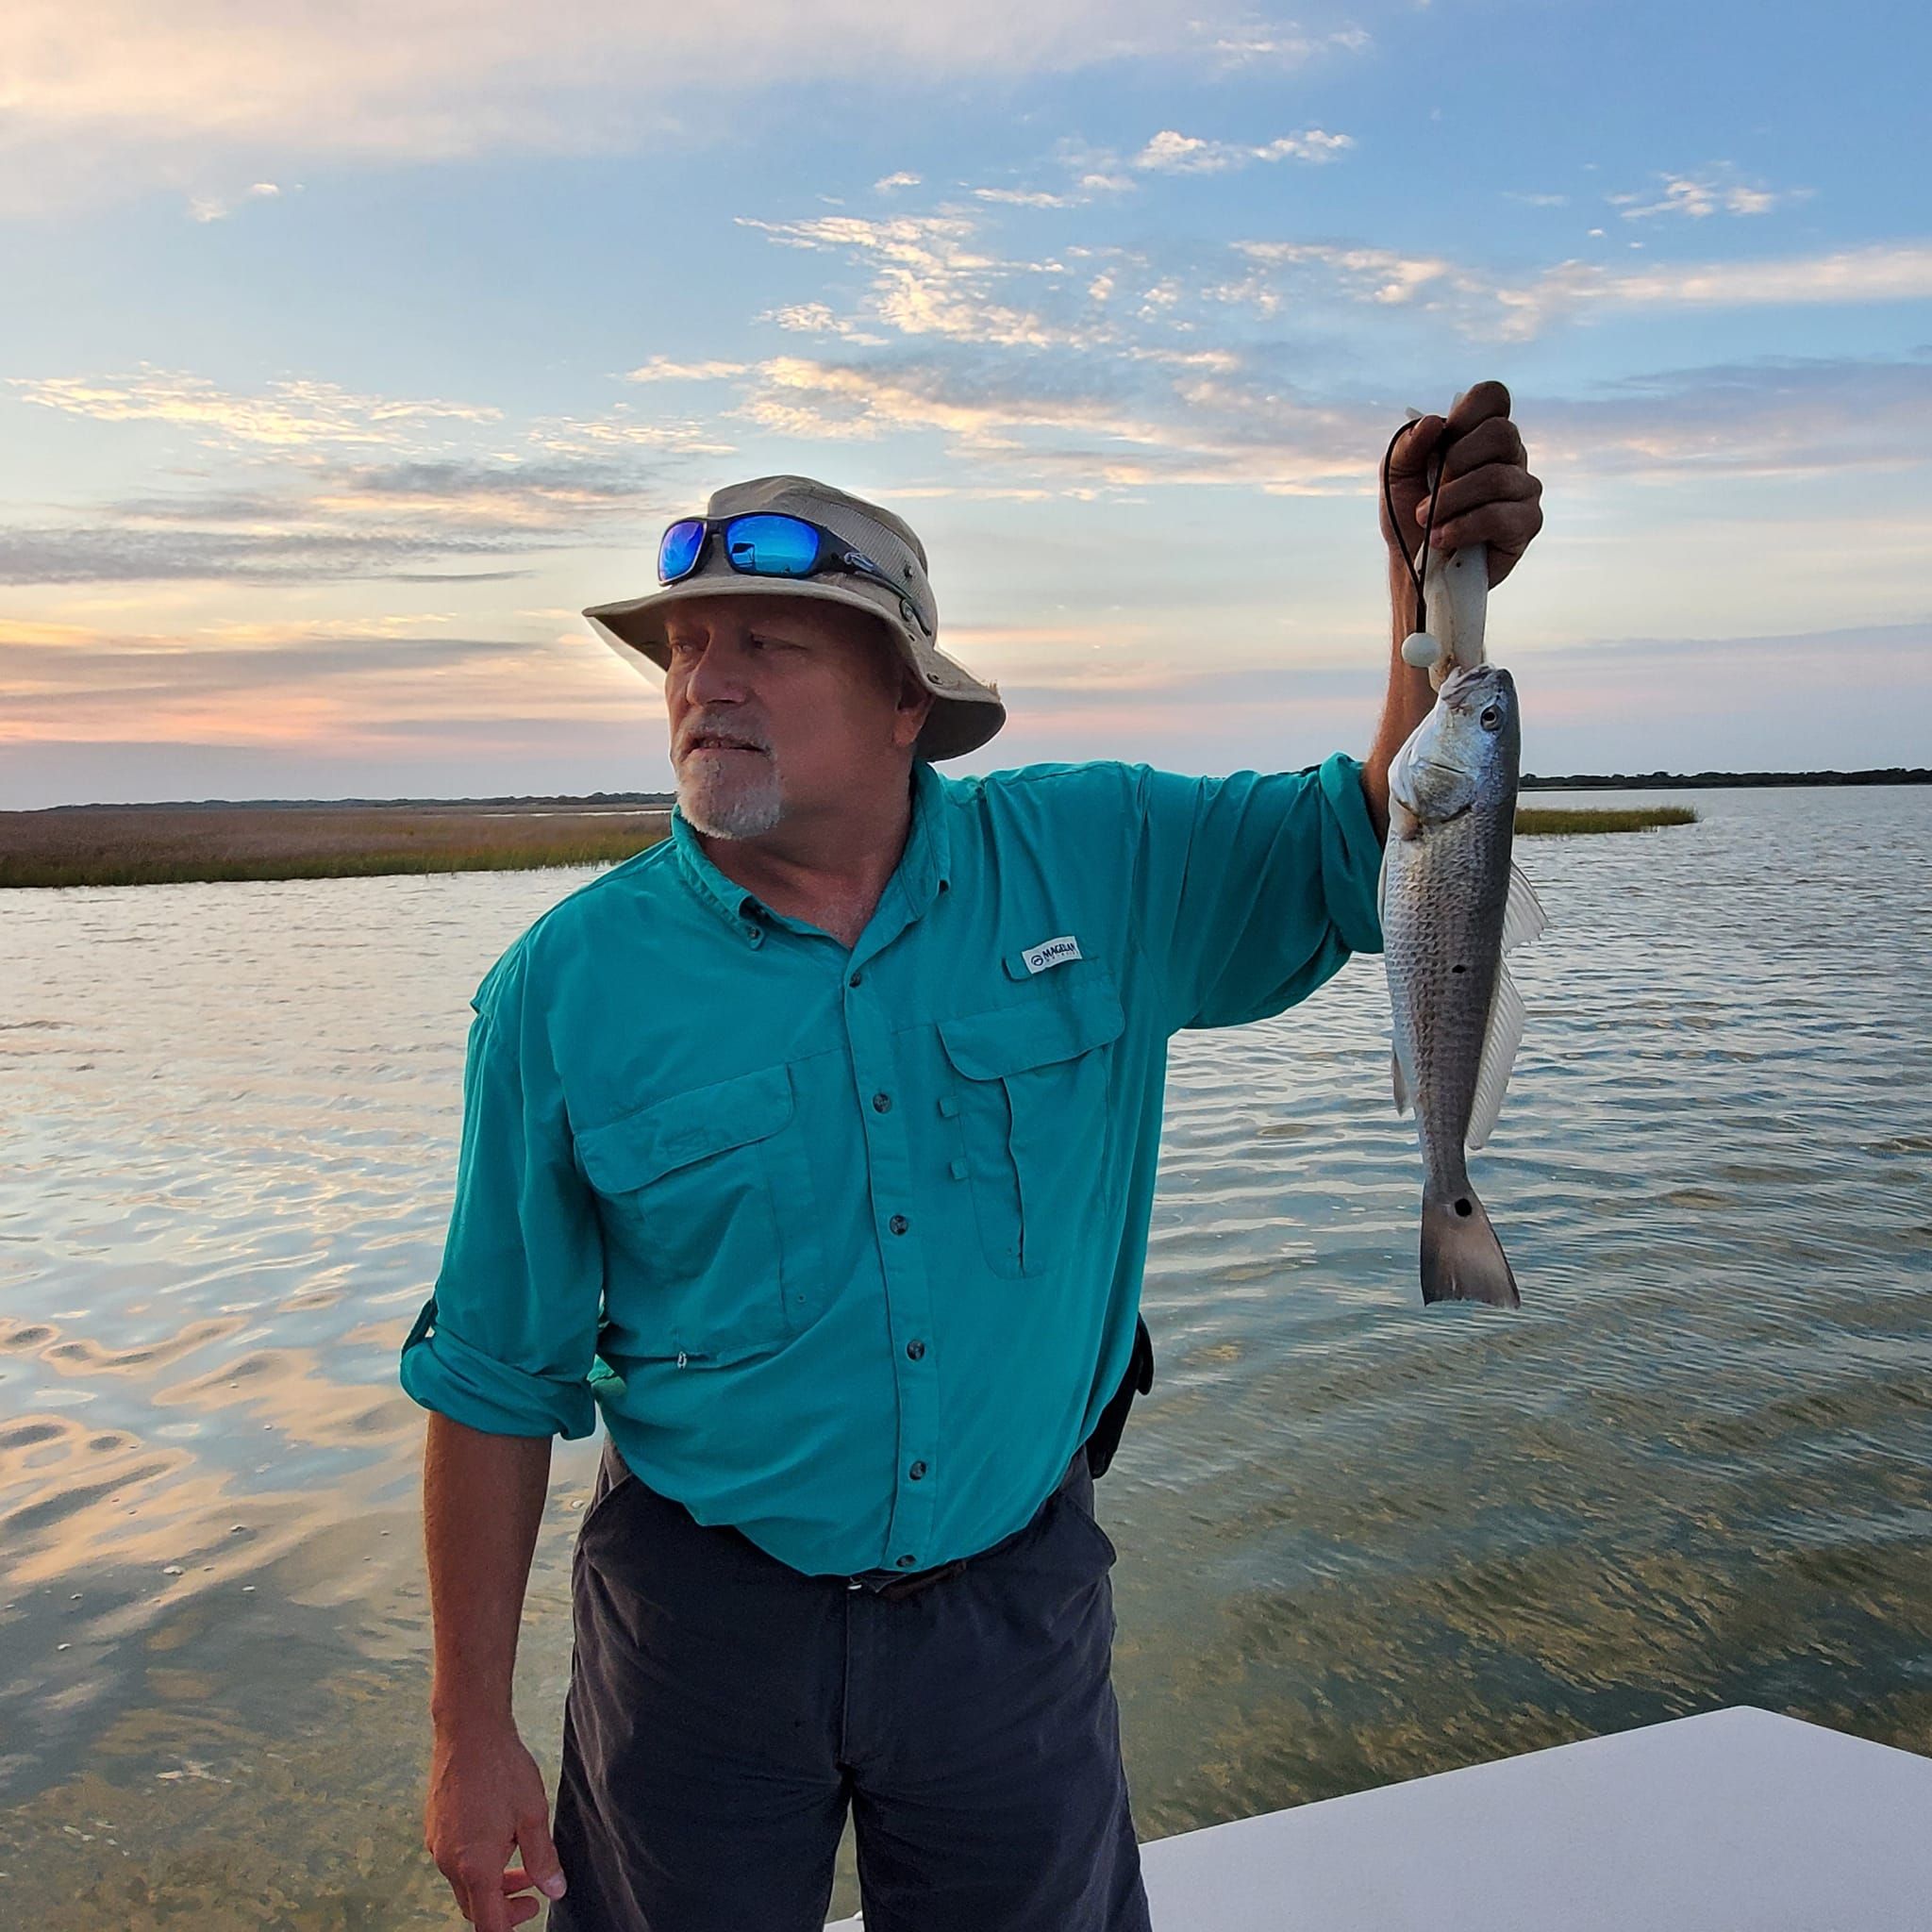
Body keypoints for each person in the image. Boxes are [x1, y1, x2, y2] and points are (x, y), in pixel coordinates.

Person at [401, 382, 1543, 1932]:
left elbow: (1376, 839)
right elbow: (490, 1379)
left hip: (1013, 1613)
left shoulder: (1101, 858)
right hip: (697, 1632)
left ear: (905, 702)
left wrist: (1424, 593)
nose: (703, 680)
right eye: (684, 647)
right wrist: (469, 1732)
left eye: (766, 642)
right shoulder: (564, 988)